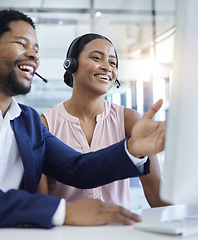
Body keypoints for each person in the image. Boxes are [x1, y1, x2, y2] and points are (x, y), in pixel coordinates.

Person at [0, 9, 166, 230]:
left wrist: (131, 149)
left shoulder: (28, 122)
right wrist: (63, 211)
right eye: (21, 44)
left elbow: (78, 168)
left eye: (36, 49)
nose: (34, 56)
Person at [38, 33, 170, 209]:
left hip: (121, 230)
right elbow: (42, 202)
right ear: (72, 65)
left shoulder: (129, 120)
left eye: (113, 62)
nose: (107, 67)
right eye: (96, 58)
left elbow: (155, 191)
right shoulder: (46, 124)